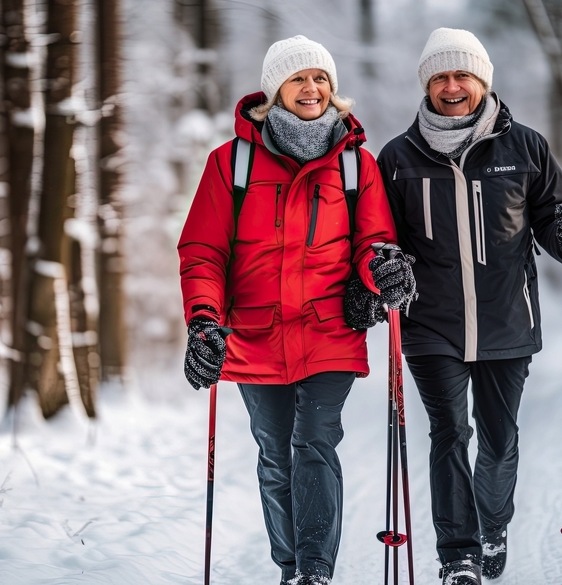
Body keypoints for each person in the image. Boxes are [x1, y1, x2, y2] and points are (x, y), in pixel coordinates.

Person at [178, 35, 417, 585]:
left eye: (321, 79)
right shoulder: (229, 164)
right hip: (254, 336)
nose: (312, 88)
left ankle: (314, 569)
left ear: (332, 90)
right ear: (274, 91)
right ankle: (289, 565)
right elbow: (202, 251)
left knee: (314, 440)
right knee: (274, 455)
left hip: (329, 330)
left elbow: (372, 239)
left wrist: (379, 268)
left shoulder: (356, 165)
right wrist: (204, 320)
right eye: (298, 79)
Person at [376, 28, 562, 585]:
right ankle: (459, 555)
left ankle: (493, 524)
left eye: (462, 76)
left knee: (499, 440)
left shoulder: (525, 147)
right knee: (448, 434)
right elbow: (380, 237)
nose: (452, 87)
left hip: (506, 320)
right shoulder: (398, 157)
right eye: (440, 77)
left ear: (482, 81)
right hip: (431, 325)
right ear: (427, 84)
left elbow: (553, 217)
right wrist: (380, 271)